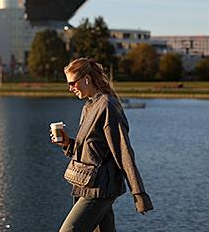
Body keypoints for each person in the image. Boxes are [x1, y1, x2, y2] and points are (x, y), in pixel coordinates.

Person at [50, 58, 154, 232]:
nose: (70, 88)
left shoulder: (107, 106)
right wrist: (68, 143)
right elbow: (92, 151)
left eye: (72, 83)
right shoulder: (89, 106)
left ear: (86, 79)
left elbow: (123, 152)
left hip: (100, 189)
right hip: (85, 184)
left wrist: (139, 194)